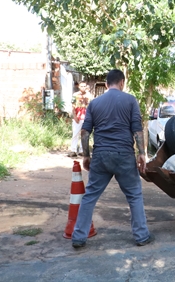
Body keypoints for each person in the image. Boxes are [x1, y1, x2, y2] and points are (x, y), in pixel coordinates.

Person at [71, 69, 152, 248]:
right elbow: (137, 130)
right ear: (122, 82)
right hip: (124, 155)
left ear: (106, 84)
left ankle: (78, 237)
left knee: (90, 196)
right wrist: (141, 154)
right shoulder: (130, 100)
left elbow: (85, 131)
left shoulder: (95, 103)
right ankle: (141, 236)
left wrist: (86, 155)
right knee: (134, 195)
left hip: (101, 156)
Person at [69, 81, 93, 157]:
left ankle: (82, 151)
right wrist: (74, 116)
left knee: (85, 134)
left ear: (86, 87)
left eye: (84, 86)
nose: (83, 87)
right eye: (81, 86)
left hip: (86, 117)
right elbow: (72, 106)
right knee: (75, 134)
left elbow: (91, 107)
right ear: (79, 87)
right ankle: (73, 150)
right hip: (78, 117)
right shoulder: (75, 95)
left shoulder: (89, 96)